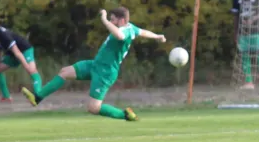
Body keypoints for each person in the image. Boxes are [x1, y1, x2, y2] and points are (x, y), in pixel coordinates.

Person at [21, 7, 166, 121]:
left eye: (113, 19)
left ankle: (125, 115)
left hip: (106, 72)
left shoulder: (125, 31)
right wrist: (157, 36)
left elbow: (120, 36)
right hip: (95, 65)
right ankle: (37, 98)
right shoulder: (131, 27)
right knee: (65, 72)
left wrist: (104, 19)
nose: (111, 21)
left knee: (93, 108)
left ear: (121, 21)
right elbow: (143, 32)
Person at [0, 18, 42, 102]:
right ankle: (6, 97)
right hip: (12, 54)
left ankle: (38, 95)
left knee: (31, 70)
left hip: (24, 50)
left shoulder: (3, 35)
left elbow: (17, 52)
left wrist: (26, 65)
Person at [231, 0, 259, 89]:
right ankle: (249, 83)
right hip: (242, 32)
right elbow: (235, 16)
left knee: (258, 53)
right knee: (244, 55)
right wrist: (235, 32)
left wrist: (254, 19)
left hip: (255, 30)